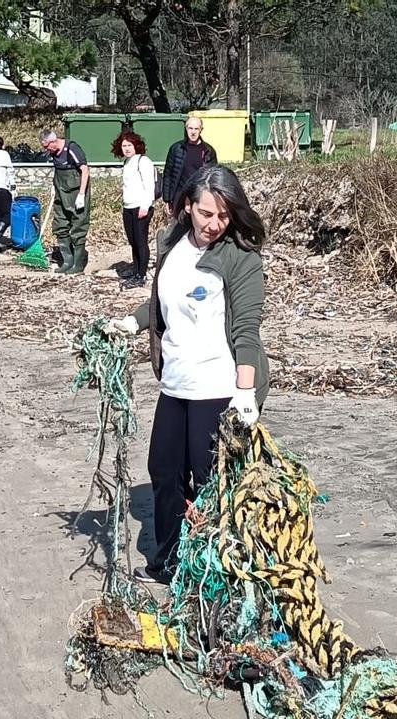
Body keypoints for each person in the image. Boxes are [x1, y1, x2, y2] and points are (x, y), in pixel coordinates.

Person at [104, 164, 268, 586]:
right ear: (187, 206)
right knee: (163, 471)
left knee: (212, 482)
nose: (214, 224)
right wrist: (132, 322)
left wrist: (245, 393)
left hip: (218, 386)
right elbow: (163, 302)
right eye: (206, 213)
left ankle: (217, 572)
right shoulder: (172, 243)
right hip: (175, 381)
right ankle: (170, 561)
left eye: (224, 216)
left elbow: (247, 330)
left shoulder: (241, 257)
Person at [39, 128, 91, 274]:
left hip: (76, 193)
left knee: (78, 227)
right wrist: (53, 187)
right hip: (61, 193)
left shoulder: (72, 149)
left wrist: (81, 194)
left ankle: (78, 264)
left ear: (53, 142)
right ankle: (67, 261)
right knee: (60, 225)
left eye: (46, 146)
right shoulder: (53, 153)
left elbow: (85, 170)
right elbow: (58, 172)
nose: (46, 150)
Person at [112, 130, 157, 287]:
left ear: (136, 145)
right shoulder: (127, 162)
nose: (126, 148)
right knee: (132, 240)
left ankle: (142, 275)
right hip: (128, 206)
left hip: (141, 206)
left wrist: (145, 206)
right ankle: (136, 270)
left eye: (129, 145)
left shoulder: (143, 161)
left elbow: (149, 186)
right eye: (124, 146)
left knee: (140, 240)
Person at [161, 116, 217, 216]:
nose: (193, 132)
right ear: (186, 129)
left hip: (199, 196)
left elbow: (213, 178)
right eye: (190, 128)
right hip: (178, 197)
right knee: (178, 227)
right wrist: (167, 199)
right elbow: (168, 174)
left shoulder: (208, 151)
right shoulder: (176, 148)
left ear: (201, 130)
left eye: (196, 129)